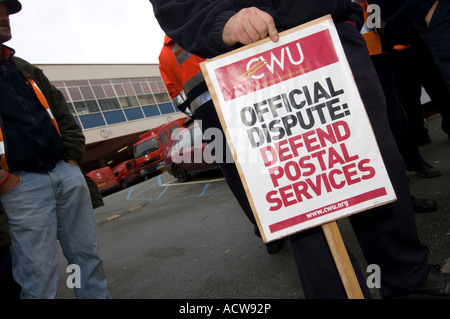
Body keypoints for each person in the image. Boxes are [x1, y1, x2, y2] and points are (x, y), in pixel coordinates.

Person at [149, 0, 450, 298]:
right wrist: (218, 22)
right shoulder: (168, 53)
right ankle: (338, 292)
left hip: (328, 28)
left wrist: (349, 14)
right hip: (248, 58)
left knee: (373, 161)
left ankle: (405, 275)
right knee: (299, 192)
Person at [0, 0, 110, 298]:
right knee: (39, 276)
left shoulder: (24, 68)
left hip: (65, 173)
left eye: (6, 8)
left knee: (86, 260)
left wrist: (72, 161)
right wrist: (5, 181)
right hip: (20, 188)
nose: (5, 15)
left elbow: (64, 116)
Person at [159, 35, 286, 254]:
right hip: (235, 98)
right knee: (260, 154)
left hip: (206, 115)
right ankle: (288, 214)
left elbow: (177, 97)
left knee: (233, 171)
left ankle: (267, 231)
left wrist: (197, 110)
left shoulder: (164, 56)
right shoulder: (201, 23)